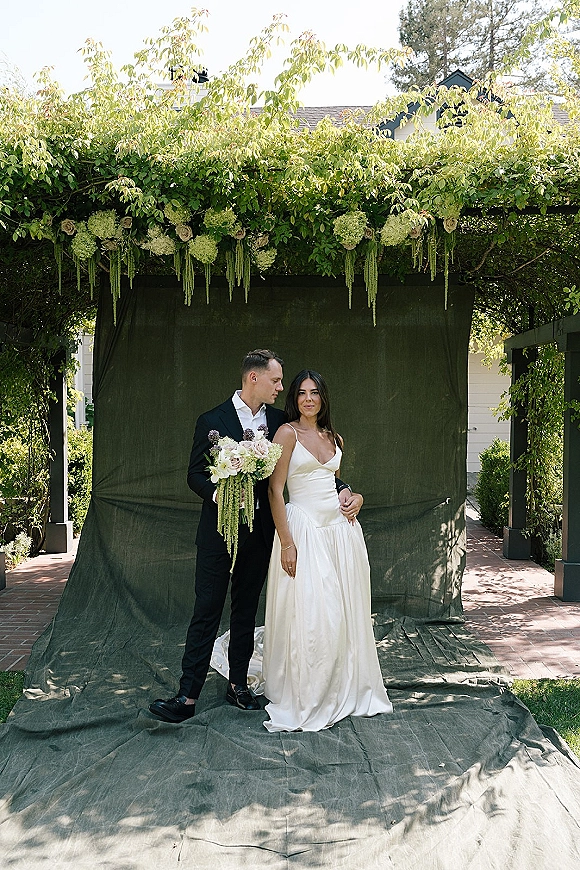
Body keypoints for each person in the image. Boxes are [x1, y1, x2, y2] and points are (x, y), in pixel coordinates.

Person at [149, 351, 357, 723]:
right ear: (253, 379)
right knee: (207, 609)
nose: (282, 388)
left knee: (245, 610)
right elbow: (195, 474)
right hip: (218, 532)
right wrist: (221, 495)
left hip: (262, 534)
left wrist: (344, 489)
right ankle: (186, 695)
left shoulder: (281, 422)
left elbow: (313, 468)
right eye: (276, 381)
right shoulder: (212, 420)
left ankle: (238, 685)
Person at [262, 369, 393, 732]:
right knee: (315, 614)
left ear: (323, 399)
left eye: (315, 392)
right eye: (302, 392)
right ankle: (310, 688)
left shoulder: (334, 437)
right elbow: (276, 491)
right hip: (304, 531)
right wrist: (287, 543)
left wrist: (356, 496)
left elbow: (334, 483)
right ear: (294, 398)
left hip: (340, 532)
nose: (308, 398)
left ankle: (347, 681)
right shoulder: (286, 434)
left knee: (347, 610)